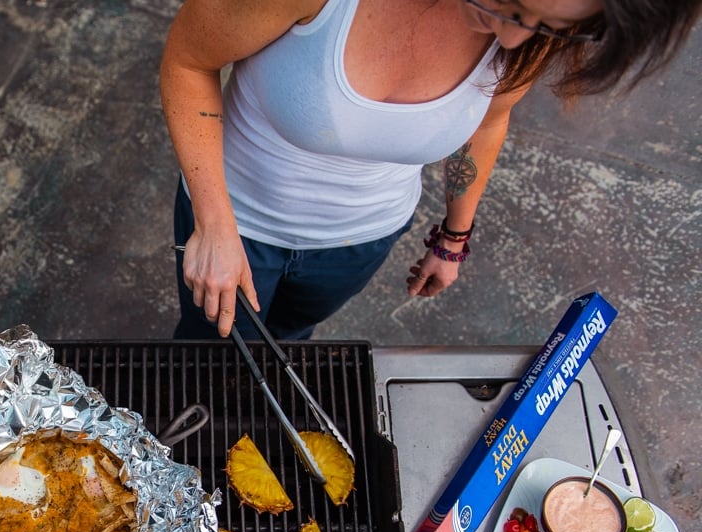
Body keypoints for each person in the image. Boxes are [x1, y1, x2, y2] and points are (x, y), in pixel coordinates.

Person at [160, 0, 700, 339]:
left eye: (549, 27)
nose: (513, 38)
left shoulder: (525, 37)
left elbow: (488, 122)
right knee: (211, 350)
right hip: (236, 219)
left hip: (360, 240)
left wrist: (453, 238)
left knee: (292, 333)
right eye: (510, 6)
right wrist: (214, 224)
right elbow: (189, 61)